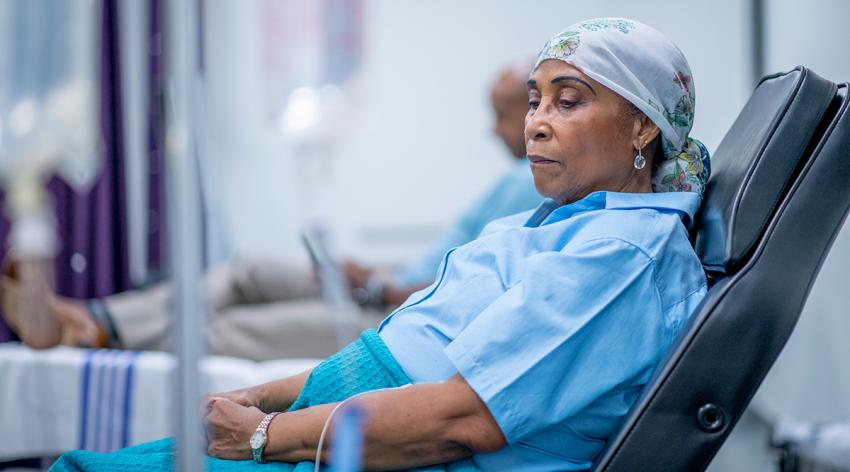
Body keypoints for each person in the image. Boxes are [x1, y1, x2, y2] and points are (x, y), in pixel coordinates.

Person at [52, 18, 711, 471]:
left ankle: (97, 326)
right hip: (356, 410)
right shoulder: (561, 221)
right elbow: (417, 340)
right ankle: (98, 323)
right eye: (536, 101)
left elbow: (463, 419)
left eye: (567, 102)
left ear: (641, 129)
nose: (536, 123)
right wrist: (269, 396)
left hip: (401, 445)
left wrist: (262, 435)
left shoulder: (623, 257)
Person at [1, 61, 542, 361]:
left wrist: (376, 288)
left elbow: (468, 289)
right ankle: (95, 319)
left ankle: (92, 332)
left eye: (503, 115)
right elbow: (444, 263)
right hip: (385, 288)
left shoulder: (533, 183)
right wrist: (369, 273)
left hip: (398, 317)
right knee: (247, 269)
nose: (493, 131)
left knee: (228, 328)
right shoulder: (511, 183)